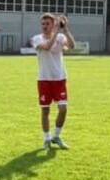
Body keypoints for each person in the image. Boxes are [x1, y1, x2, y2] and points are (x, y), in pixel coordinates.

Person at [31, 14, 76, 150]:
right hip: (44, 80)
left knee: (63, 109)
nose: (45, 26)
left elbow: (72, 46)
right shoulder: (36, 39)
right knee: (45, 111)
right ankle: (46, 138)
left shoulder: (61, 37)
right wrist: (56, 31)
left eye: (47, 24)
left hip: (60, 79)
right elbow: (47, 47)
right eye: (43, 24)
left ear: (53, 24)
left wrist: (66, 29)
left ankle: (56, 136)